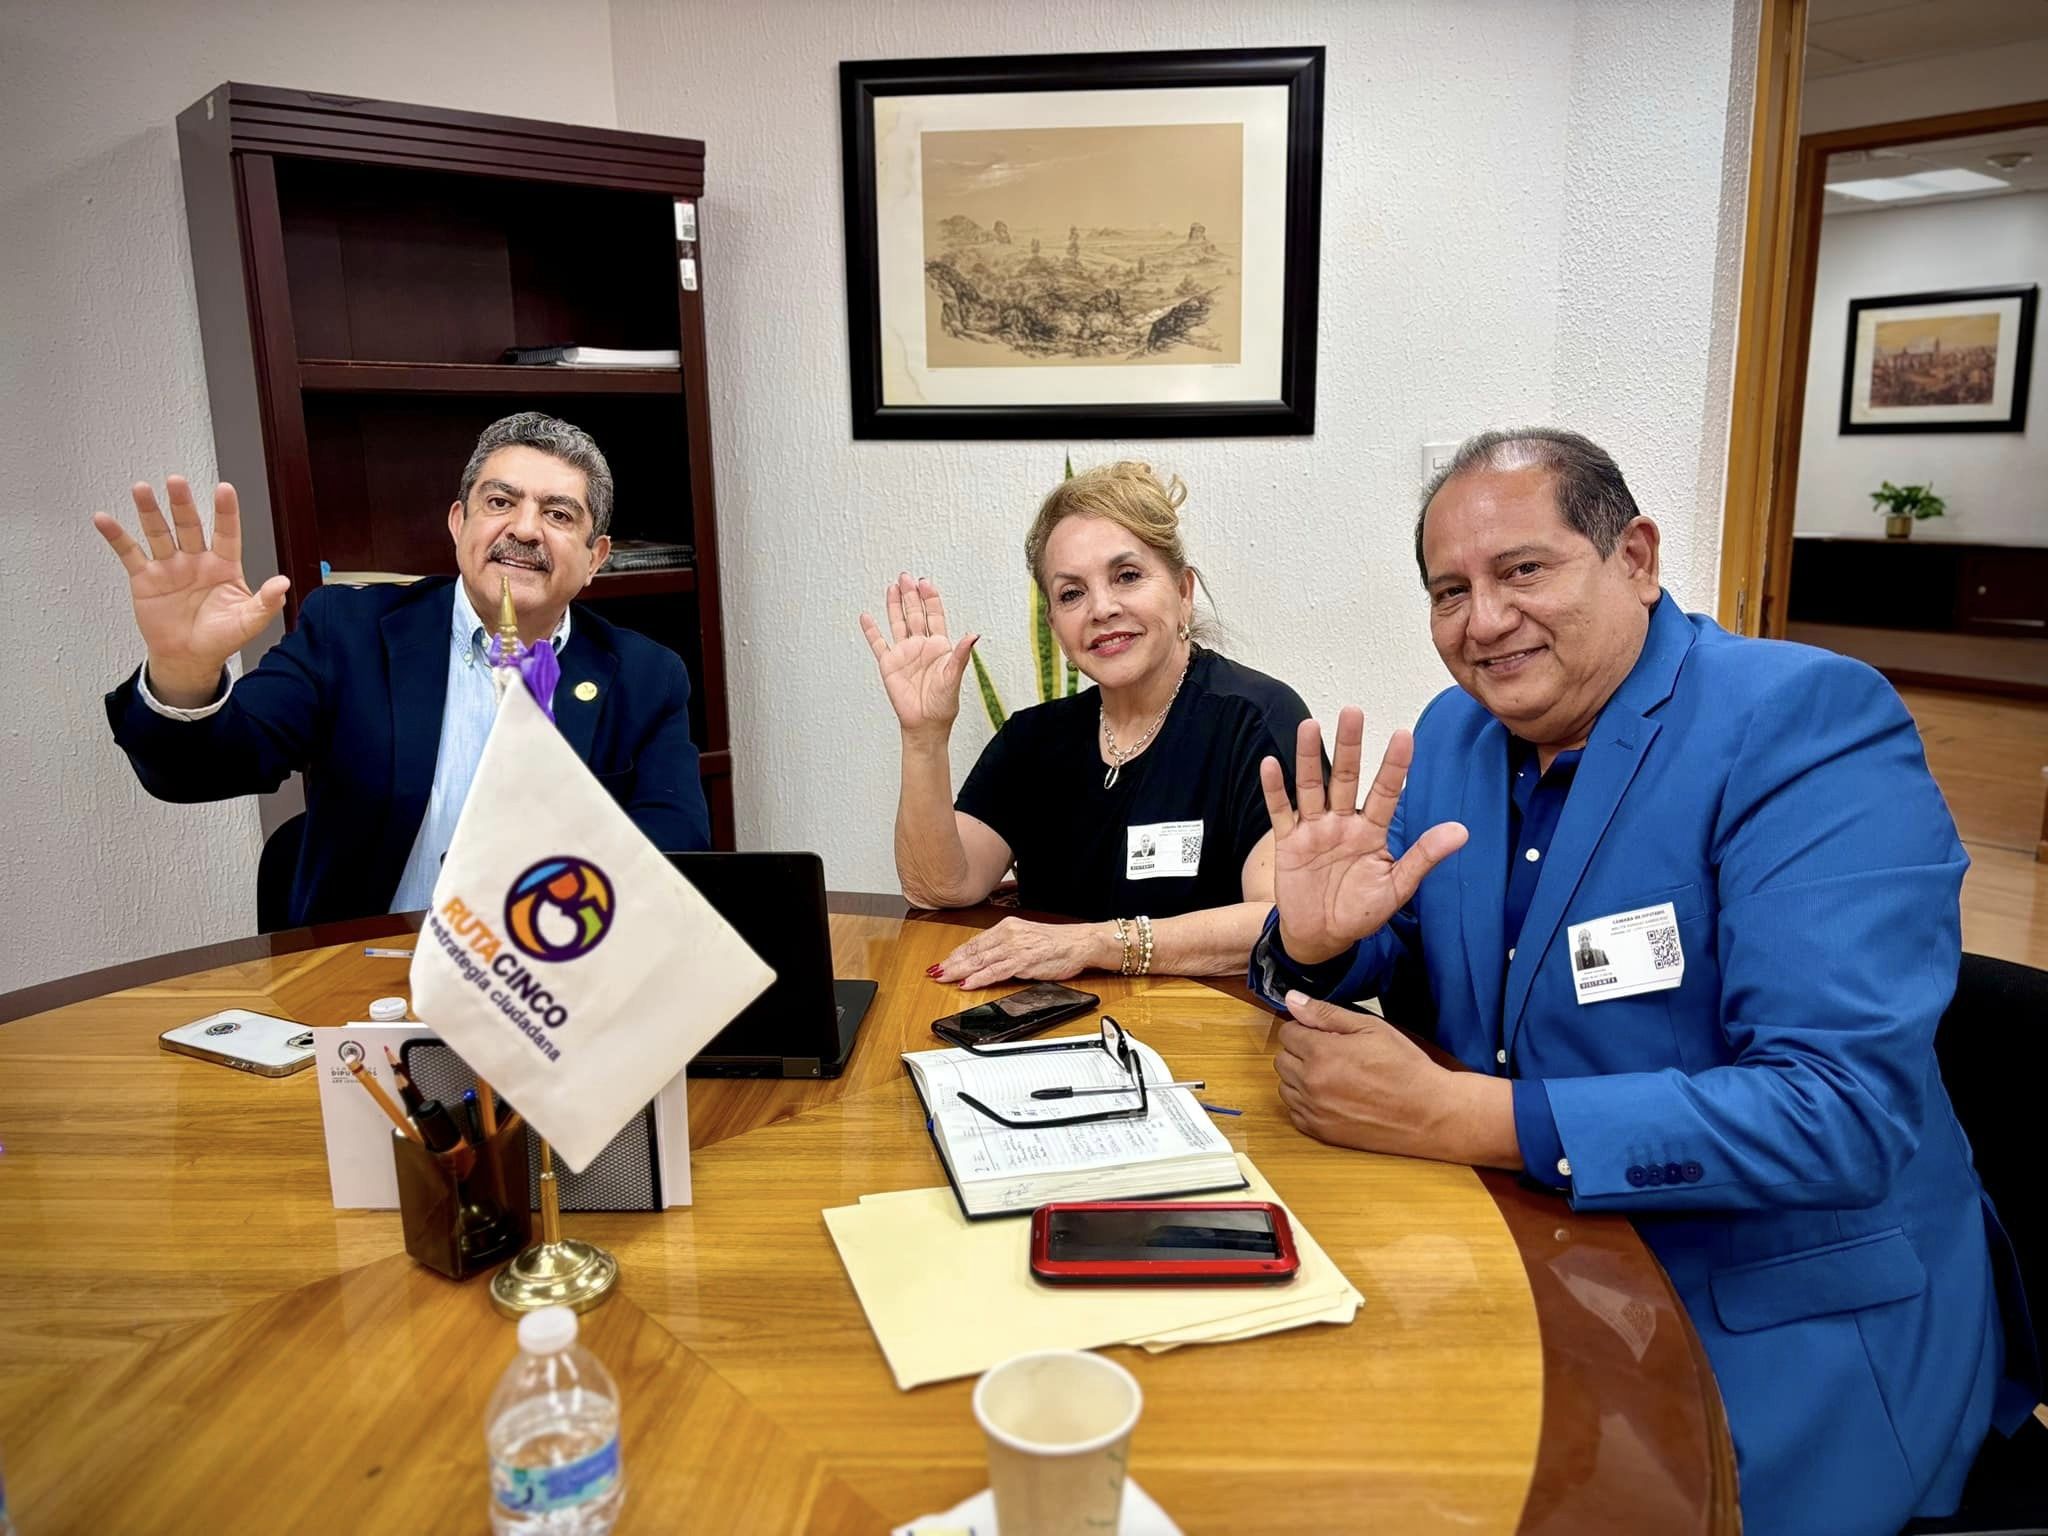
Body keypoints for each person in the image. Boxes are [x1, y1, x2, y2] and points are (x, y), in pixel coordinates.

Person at [1249, 428, 2034, 1536]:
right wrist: (1322, 944)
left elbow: (1838, 1114)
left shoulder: (1803, 722)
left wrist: (1471, 1115)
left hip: (1770, 1314)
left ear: (1635, 558)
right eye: (1447, 591)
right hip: (1533, 1259)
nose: (1481, 622)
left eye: (1523, 570)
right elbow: (1429, 961)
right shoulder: (1457, 735)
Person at [98, 412, 710, 927]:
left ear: (595, 556)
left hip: (551, 982)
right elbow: (203, 768)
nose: (523, 529)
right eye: (500, 502)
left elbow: (673, 849)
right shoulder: (351, 633)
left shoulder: (644, 676)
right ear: (458, 524)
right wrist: (183, 669)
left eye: (558, 514)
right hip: (363, 980)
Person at [860, 461, 1313, 989]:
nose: (1101, 608)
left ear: (1183, 591)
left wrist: (1093, 945)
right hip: (1053, 1030)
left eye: (1127, 576)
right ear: (1054, 623)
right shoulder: (1032, 741)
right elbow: (937, 888)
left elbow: (1283, 919)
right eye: (1071, 593)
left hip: (1211, 1033)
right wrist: (924, 737)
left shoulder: (1256, 721)